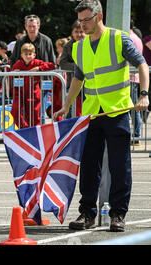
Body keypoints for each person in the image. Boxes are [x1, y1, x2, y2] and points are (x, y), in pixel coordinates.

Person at [53, 0, 149, 232]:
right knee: (88, 166)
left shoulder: (118, 39)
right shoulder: (79, 47)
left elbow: (143, 64)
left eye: (87, 20)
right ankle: (87, 213)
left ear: (99, 16)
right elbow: (78, 78)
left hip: (116, 111)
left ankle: (118, 214)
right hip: (91, 114)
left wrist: (144, 94)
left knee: (120, 166)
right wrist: (66, 105)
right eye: (80, 21)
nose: (83, 25)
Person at [11, 43, 55, 129]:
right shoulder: (18, 63)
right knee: (15, 111)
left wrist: (39, 68)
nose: (28, 56)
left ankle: (35, 133)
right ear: (21, 55)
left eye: (30, 54)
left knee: (35, 116)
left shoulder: (37, 63)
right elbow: (11, 73)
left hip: (34, 93)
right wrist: (14, 72)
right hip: (19, 93)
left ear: (34, 55)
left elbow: (51, 65)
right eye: (26, 54)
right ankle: (24, 128)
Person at [60, 20, 86, 118]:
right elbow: (63, 63)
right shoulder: (68, 46)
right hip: (72, 84)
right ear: (72, 33)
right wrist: (79, 67)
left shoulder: (91, 43)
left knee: (88, 112)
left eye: (81, 32)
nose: (79, 34)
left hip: (89, 85)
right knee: (69, 111)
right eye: (76, 32)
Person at [129, 22, 144, 146]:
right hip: (135, 77)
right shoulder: (137, 38)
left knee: (134, 108)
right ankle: (137, 134)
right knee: (134, 107)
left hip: (130, 77)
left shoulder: (129, 38)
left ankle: (137, 135)